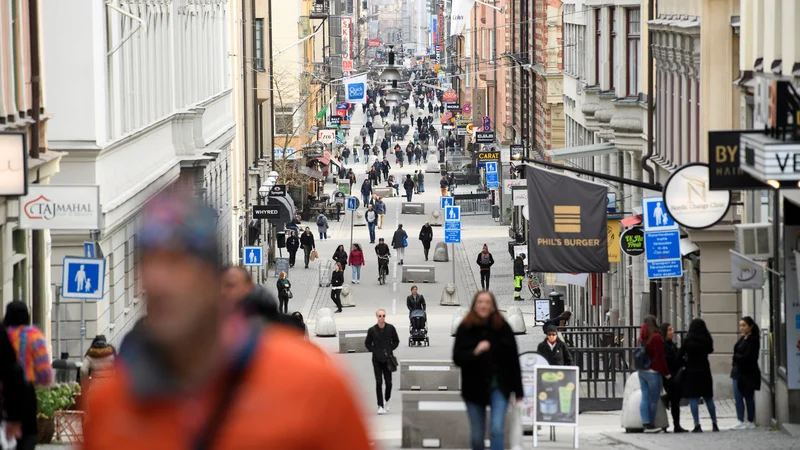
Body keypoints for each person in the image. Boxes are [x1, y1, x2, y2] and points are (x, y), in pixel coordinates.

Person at [82, 193, 371, 450]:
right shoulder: (112, 404)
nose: (158, 282)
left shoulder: (310, 383)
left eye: (177, 263)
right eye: (149, 264)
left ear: (212, 278)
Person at [452, 291, 523, 450]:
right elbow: (457, 358)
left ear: (492, 306)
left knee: (497, 429)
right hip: (474, 387)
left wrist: (518, 391)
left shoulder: (502, 328)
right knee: (477, 435)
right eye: (480, 302)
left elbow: (513, 360)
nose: (483, 305)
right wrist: (475, 352)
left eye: (487, 302)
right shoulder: (466, 328)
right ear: (475, 305)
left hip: (499, 386)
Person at [5, 301, 53, 450]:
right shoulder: (34, 336)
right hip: (25, 392)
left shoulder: (4, 335)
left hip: (4, 392)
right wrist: (40, 380)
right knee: (28, 434)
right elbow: (44, 372)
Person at [679, 318, 718, 433]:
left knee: (693, 399)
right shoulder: (706, 339)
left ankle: (697, 424)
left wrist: (683, 363)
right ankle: (714, 423)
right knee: (708, 398)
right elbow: (710, 350)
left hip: (691, 371)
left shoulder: (687, 340)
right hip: (705, 370)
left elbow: (680, 355)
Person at [364, 309, 400, 415]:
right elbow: (367, 343)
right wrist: (374, 350)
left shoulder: (390, 328)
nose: (382, 318)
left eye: (383, 315)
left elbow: (396, 340)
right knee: (379, 382)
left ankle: (387, 399)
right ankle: (380, 405)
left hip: (387, 359)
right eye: (380, 316)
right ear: (376, 317)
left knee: (388, 383)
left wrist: (390, 349)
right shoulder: (372, 330)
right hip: (376, 360)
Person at [637, 315, 670, 431]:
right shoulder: (656, 337)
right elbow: (660, 357)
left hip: (642, 371)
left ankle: (645, 423)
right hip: (653, 372)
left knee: (645, 398)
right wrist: (666, 373)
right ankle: (650, 424)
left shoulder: (641, 338)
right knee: (653, 400)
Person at [730, 316, 760, 430]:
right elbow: (736, 354)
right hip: (737, 372)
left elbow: (749, 356)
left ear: (750, 326)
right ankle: (740, 420)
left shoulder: (753, 340)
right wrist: (736, 359)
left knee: (748, 397)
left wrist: (737, 358)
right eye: (740, 325)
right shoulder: (742, 339)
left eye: (744, 325)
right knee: (738, 397)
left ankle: (750, 420)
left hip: (748, 373)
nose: (741, 328)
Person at [661, 322, 686, 433]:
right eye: (670, 330)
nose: (672, 332)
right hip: (668, 376)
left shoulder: (671, 344)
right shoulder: (664, 346)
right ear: (665, 332)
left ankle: (677, 425)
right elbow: (671, 360)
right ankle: (665, 424)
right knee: (674, 400)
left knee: (675, 401)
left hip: (675, 376)